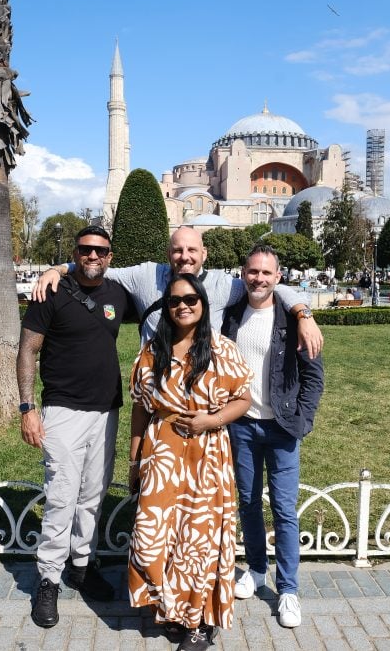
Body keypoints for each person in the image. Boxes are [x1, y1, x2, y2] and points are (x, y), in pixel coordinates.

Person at [126, 273, 253, 651]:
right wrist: (134, 460)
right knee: (153, 537)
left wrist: (210, 421)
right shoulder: (154, 350)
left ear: (202, 304)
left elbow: (243, 398)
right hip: (162, 451)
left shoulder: (221, 348)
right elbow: (140, 407)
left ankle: (198, 623)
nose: (182, 306)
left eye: (190, 300)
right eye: (175, 300)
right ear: (166, 307)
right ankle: (171, 608)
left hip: (207, 453)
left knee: (199, 539)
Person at [16, 225, 130, 628]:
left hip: (106, 411)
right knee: (62, 496)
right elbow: (27, 349)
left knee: (93, 495)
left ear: (110, 256)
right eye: (84, 250)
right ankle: (48, 578)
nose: (92, 256)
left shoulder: (118, 293)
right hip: (63, 410)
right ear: (76, 252)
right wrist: (27, 408)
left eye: (100, 250)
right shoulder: (51, 292)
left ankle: (82, 566)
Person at [221, 245, 324, 629]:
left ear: (278, 278)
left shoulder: (293, 319)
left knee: (283, 509)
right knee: (248, 503)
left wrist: (303, 420)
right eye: (253, 271)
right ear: (243, 273)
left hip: (281, 427)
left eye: (267, 273)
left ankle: (288, 590)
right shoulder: (231, 315)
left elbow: (313, 377)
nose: (259, 279)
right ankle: (256, 569)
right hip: (242, 425)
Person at [33, 226, 323, 358]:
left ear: (204, 254)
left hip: (204, 392)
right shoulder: (146, 275)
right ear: (168, 253)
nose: (185, 257)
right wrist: (58, 269)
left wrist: (304, 315)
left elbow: (271, 286)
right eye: (178, 250)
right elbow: (97, 267)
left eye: (192, 250)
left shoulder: (223, 285)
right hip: (155, 388)